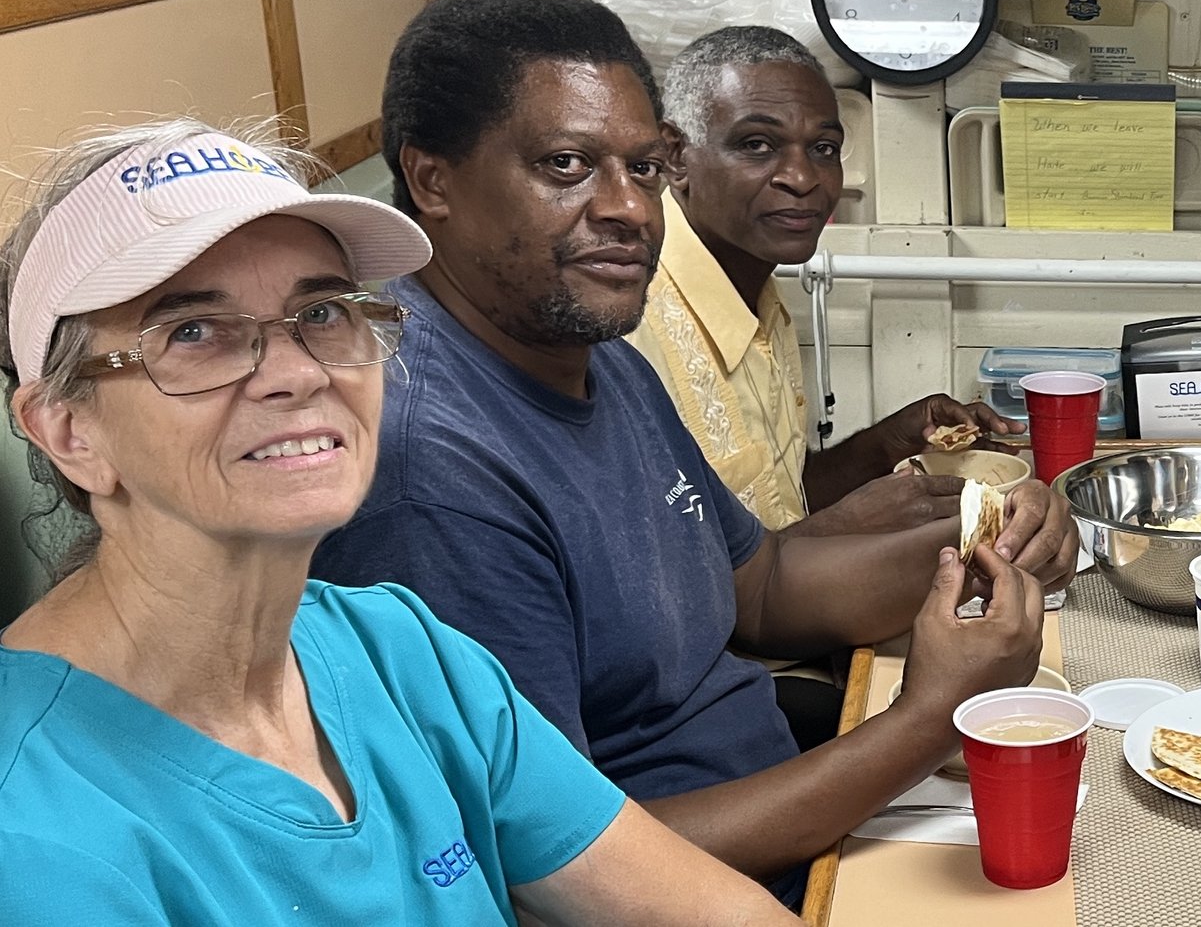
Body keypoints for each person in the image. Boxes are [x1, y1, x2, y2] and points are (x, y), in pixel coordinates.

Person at [309, 0, 1065, 903]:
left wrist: (987, 541)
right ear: (432, 180)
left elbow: (759, 587)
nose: (630, 209)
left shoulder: (596, 355)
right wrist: (928, 719)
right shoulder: (432, 467)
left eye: (643, 168)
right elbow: (553, 868)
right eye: (566, 165)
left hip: (790, 816)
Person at [0, 120, 796, 923]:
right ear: (70, 430)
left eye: (321, 312)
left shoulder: (400, 651)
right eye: (193, 333)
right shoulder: (35, 833)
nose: (296, 373)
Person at [628, 25, 1015, 534]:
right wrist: (843, 532)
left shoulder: (761, 297)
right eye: (757, 144)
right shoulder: (631, 328)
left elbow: (781, 498)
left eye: (824, 148)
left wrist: (886, 444)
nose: (803, 177)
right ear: (675, 156)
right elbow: (667, 579)